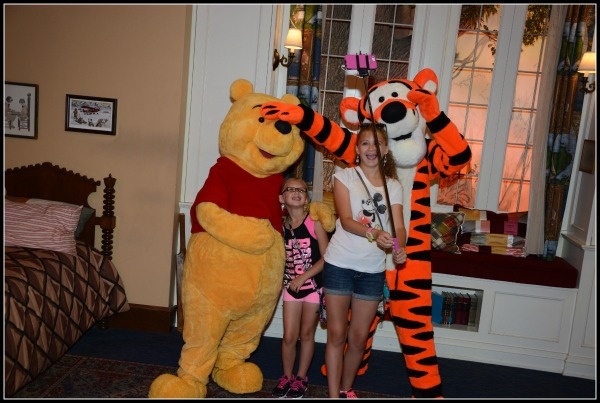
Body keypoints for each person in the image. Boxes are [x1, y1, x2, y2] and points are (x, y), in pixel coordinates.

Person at [322, 124, 407, 399]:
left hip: (372, 271)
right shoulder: (344, 176)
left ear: (385, 149)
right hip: (340, 264)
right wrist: (375, 234)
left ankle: (347, 389)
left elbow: (398, 228)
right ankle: (333, 395)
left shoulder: (393, 185)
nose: (371, 149)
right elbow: (346, 221)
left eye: (377, 144)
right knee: (336, 334)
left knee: (358, 339)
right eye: (366, 144)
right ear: (357, 149)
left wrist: (398, 247)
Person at [272, 177, 331, 399]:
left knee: (307, 334)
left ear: (306, 198)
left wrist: (303, 277)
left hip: (313, 287)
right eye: (290, 189)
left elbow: (327, 257)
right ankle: (286, 376)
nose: (296, 192)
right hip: (291, 288)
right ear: (281, 198)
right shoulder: (281, 226)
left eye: (301, 190)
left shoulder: (313, 222)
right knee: (289, 336)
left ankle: (301, 378)